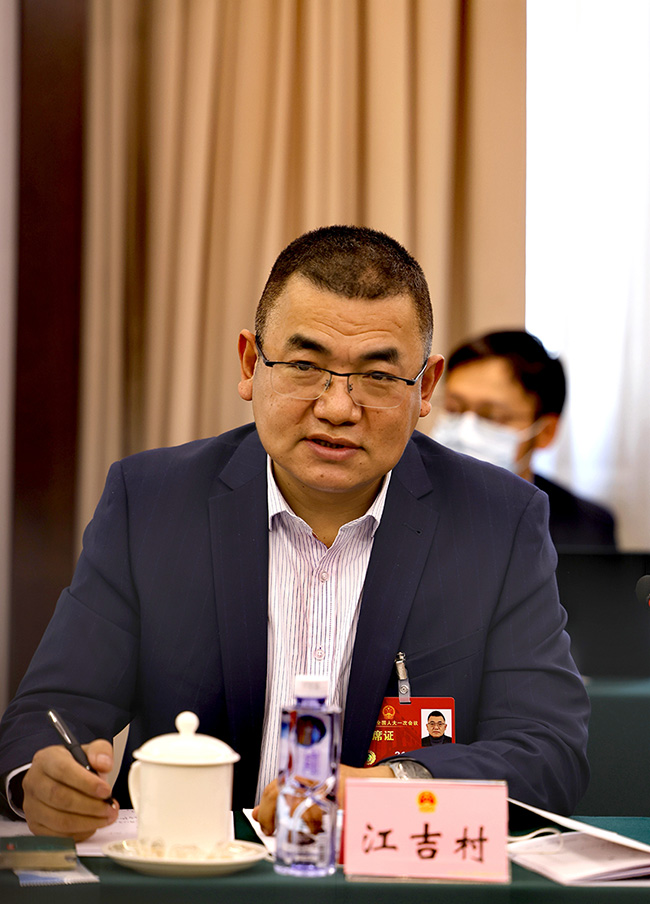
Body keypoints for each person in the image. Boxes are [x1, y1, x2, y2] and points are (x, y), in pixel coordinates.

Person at [0, 227, 589, 841]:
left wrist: (386, 788)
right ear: (250, 364)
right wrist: (41, 779)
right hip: (192, 880)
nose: (337, 408)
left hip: (388, 883)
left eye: (378, 376)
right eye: (305, 367)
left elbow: (548, 751)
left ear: (425, 388)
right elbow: (50, 711)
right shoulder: (152, 502)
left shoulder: (498, 520)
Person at [433, 330, 617, 550]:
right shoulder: (401, 501)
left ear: (545, 432)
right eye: (453, 409)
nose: (465, 431)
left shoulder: (587, 528)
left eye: (492, 416)